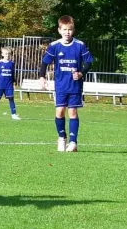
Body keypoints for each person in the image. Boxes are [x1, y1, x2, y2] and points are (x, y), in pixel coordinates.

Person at [39, 15, 93, 152]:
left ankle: (73, 141)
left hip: (75, 85)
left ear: (73, 30)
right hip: (61, 85)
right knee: (60, 110)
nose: (67, 32)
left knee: (73, 112)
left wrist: (81, 73)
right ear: (59, 30)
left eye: (69, 30)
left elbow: (88, 62)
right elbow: (45, 62)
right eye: (64, 29)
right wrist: (42, 77)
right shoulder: (55, 46)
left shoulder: (79, 45)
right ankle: (62, 138)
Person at [0, 46, 20, 120]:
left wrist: (14, 83)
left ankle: (14, 114)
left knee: (11, 99)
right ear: (2, 54)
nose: (7, 55)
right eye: (5, 54)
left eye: (8, 54)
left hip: (9, 85)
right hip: (0, 85)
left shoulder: (12, 63)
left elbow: (13, 74)